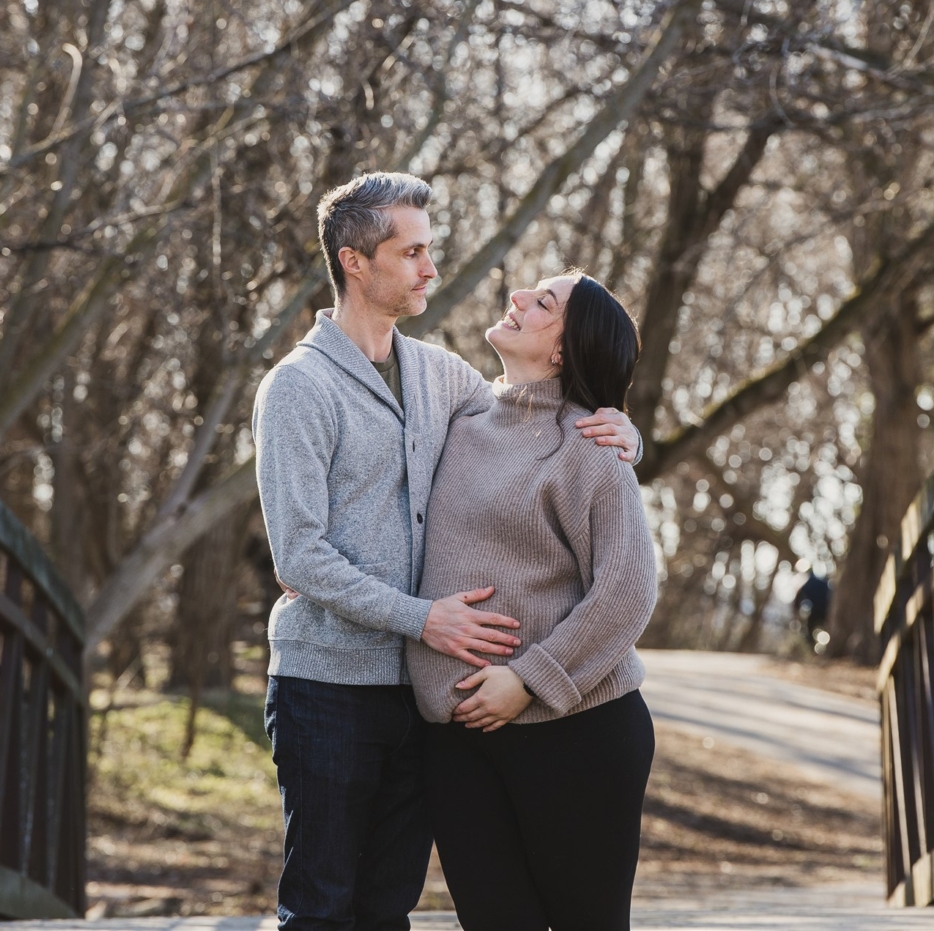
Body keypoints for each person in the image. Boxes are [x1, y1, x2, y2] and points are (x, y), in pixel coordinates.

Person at [251, 172, 643, 931]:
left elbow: (543, 411)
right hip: (327, 685)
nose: (432, 268)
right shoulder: (297, 388)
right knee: (323, 910)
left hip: (418, 703)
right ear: (355, 262)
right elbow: (298, 554)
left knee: (386, 909)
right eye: (413, 252)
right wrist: (425, 620)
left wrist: (623, 428)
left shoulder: (443, 377)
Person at [408, 272, 657, 931]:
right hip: (458, 743)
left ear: (563, 353)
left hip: (577, 735)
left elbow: (627, 588)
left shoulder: (590, 447)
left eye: (543, 302)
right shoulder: (457, 417)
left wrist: (528, 679)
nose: (518, 296)